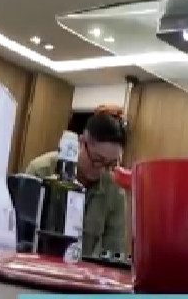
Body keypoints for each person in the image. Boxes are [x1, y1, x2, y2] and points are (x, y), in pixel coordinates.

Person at [25, 110, 128, 258]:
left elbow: (113, 252)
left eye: (111, 164)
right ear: (81, 143)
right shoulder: (41, 171)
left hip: (81, 268)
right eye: (97, 160)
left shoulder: (115, 191)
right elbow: (22, 237)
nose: (102, 170)